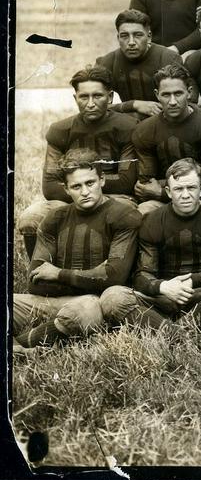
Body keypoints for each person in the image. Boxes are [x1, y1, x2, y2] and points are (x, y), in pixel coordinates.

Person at [13, 148, 141, 350]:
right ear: (66, 189)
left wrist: (57, 274)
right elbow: (35, 283)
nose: (84, 192)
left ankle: (21, 345)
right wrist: (95, 276)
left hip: (95, 302)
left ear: (102, 180)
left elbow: (115, 278)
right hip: (51, 301)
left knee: (85, 310)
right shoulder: (54, 218)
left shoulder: (125, 215)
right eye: (76, 186)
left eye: (90, 183)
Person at [99, 158, 201, 330]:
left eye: (191, 188)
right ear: (169, 192)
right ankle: (175, 332)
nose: (185, 195)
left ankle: (177, 331)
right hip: (165, 297)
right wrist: (164, 286)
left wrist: (193, 280)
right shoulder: (152, 220)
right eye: (178, 189)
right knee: (112, 297)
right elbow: (142, 275)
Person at [17, 65, 138, 259]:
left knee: (127, 214)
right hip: (71, 199)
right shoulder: (60, 130)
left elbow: (126, 182)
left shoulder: (128, 126)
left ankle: (119, 271)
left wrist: (85, 190)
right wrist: (81, 196)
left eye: (97, 96)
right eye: (84, 97)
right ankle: (38, 271)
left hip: (115, 198)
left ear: (110, 97)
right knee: (30, 218)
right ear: (75, 98)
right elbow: (50, 187)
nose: (90, 103)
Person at [131, 63, 201, 213]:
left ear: (189, 92)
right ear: (157, 95)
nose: (173, 101)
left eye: (178, 93)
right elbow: (146, 185)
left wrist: (161, 190)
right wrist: (196, 176)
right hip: (165, 204)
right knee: (143, 211)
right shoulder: (145, 130)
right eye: (166, 95)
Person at [96, 9, 183, 118]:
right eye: (124, 36)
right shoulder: (106, 62)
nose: (131, 42)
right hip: (127, 122)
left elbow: (185, 102)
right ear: (118, 38)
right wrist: (134, 105)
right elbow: (95, 106)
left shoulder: (168, 58)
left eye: (138, 35)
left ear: (149, 36)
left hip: (165, 120)